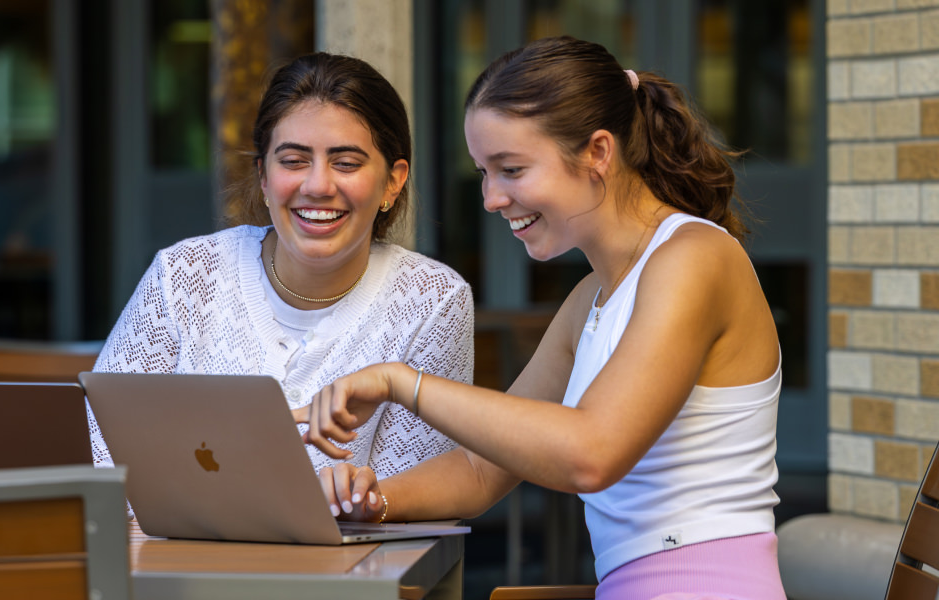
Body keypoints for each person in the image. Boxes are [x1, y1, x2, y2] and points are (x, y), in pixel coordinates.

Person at [301, 36, 786, 599]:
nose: (491, 197)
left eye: (511, 169)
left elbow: (591, 454)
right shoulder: (591, 299)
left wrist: (399, 383)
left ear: (598, 153)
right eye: (484, 171)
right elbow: (483, 471)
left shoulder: (694, 259)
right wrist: (364, 500)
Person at [88, 52, 475, 495]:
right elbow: (103, 458)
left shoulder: (432, 300)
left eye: (346, 163)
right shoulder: (182, 274)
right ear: (264, 176)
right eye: (293, 160)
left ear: (393, 181)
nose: (318, 185)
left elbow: (403, 499)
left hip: (341, 564)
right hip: (168, 559)